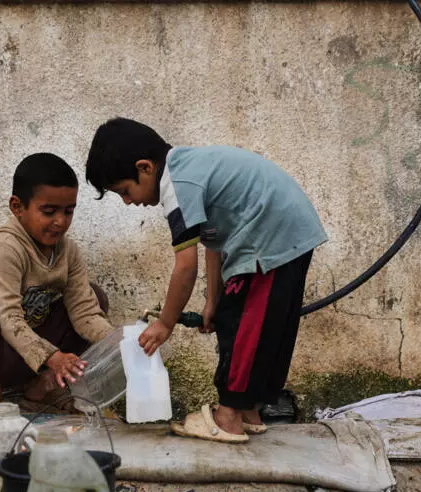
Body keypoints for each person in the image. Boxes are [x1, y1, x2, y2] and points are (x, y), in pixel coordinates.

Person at [85, 118, 328, 443]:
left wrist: (165, 324)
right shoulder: (193, 170)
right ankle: (248, 411)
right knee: (258, 325)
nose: (128, 202)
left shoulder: (178, 183)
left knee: (243, 327)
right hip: (283, 231)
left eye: (124, 191)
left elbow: (185, 266)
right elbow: (214, 245)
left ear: (145, 168)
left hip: (270, 235)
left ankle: (227, 417)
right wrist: (212, 300)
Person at [0, 152, 114, 413]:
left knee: (95, 297)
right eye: (49, 211)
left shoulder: (68, 251)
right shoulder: (5, 248)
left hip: (27, 353)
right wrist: (53, 357)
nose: (60, 221)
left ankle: (40, 387)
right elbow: (9, 318)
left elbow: (86, 312)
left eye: (69, 211)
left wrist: (121, 344)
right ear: (17, 207)